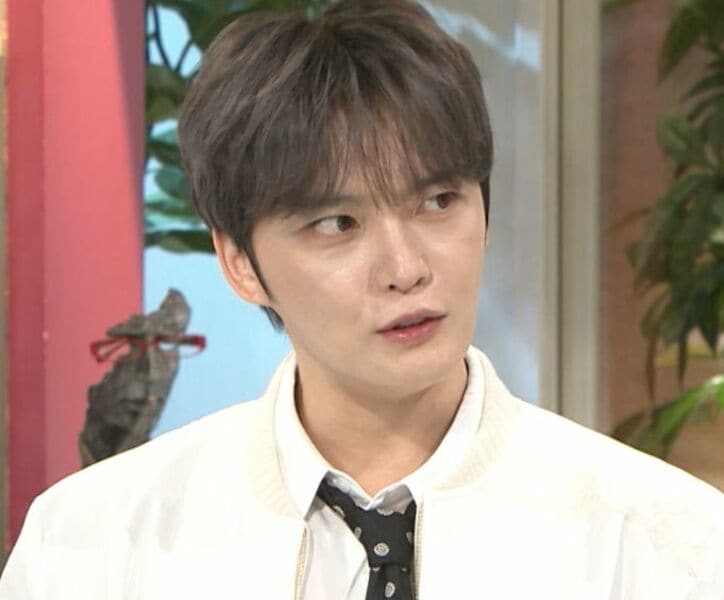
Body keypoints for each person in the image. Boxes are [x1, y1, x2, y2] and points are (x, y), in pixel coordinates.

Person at [2, 0, 724, 598]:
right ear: (240, 262)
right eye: (337, 224)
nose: (406, 269)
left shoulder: (669, 543)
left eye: (438, 202)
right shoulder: (93, 544)